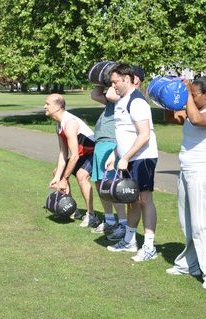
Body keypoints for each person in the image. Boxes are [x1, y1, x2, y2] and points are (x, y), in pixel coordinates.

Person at [165, 76, 206, 290]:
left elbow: (198, 120)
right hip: (187, 172)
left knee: (202, 225)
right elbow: (173, 117)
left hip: (203, 173)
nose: (190, 96)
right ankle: (189, 264)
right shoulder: (192, 112)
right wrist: (168, 96)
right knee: (188, 223)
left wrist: (186, 91)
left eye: (194, 93)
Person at [105, 63, 159, 262]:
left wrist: (126, 157)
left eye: (115, 82)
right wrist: (114, 154)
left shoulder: (137, 103)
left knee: (144, 200)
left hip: (142, 158)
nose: (113, 86)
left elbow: (144, 135)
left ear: (127, 79)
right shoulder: (122, 101)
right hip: (127, 158)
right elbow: (124, 133)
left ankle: (149, 246)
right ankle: (129, 241)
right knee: (131, 200)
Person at [89, 67, 145, 240]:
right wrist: (101, 79)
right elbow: (95, 94)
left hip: (112, 143)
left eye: (117, 80)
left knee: (114, 186)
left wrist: (111, 81)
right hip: (102, 143)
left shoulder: (126, 98)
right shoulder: (115, 98)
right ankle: (109, 220)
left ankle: (121, 223)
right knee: (101, 184)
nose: (113, 84)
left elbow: (110, 95)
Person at [45, 93, 98, 227]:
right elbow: (63, 153)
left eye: (47, 104)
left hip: (93, 153)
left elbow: (74, 156)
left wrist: (65, 179)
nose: (44, 106)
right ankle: (72, 210)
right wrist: (58, 177)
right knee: (58, 172)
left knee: (81, 175)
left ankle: (91, 215)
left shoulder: (70, 123)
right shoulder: (59, 125)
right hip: (81, 154)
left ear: (57, 107)